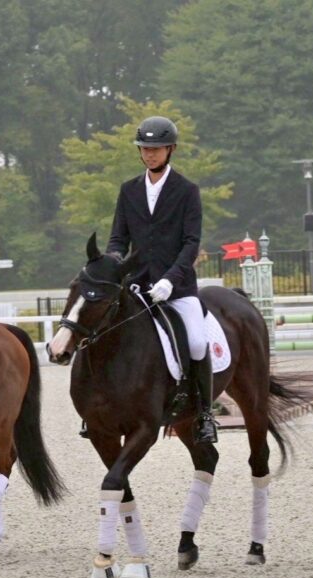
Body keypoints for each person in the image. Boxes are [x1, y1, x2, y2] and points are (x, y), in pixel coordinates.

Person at [105, 115, 217, 444]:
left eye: (156, 149)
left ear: (171, 150)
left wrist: (170, 279)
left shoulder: (187, 191)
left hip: (177, 288)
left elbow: (191, 243)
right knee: (105, 333)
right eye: (145, 148)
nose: (150, 154)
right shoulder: (129, 190)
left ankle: (205, 414)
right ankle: (99, 409)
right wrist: (113, 263)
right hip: (137, 287)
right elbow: (118, 239)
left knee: (196, 342)